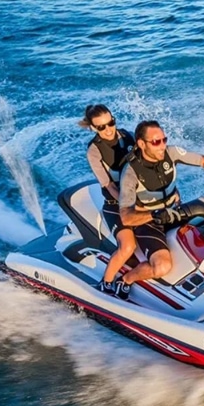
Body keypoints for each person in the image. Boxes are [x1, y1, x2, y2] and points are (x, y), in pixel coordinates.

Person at [116, 120, 204, 298]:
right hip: (148, 221)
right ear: (142, 144)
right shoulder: (131, 172)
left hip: (173, 213)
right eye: (156, 142)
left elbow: (203, 161)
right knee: (162, 267)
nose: (162, 146)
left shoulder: (171, 153)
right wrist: (155, 214)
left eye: (164, 140)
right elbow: (126, 217)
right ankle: (126, 279)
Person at [79, 104, 137, 298]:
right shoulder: (94, 151)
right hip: (116, 206)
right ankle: (106, 283)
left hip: (142, 201)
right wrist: (128, 205)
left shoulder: (128, 136)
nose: (108, 129)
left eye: (110, 122)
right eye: (101, 127)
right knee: (128, 247)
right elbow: (109, 186)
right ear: (93, 128)